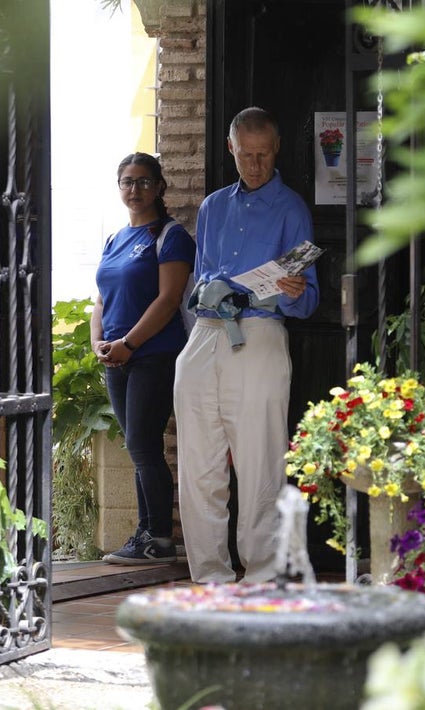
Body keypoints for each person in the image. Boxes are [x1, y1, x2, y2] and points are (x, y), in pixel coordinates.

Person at [174, 107, 320, 584]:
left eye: (263, 155)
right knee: (198, 464)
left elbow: (307, 298)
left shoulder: (291, 208)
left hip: (259, 333)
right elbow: (199, 277)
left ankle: (261, 576)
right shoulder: (212, 206)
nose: (255, 165)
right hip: (205, 334)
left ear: (276, 150)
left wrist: (295, 291)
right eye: (245, 155)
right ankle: (210, 578)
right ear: (231, 149)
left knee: (260, 462)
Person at [93, 152, 196, 564]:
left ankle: (159, 538)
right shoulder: (114, 239)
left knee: (144, 445)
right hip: (117, 357)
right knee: (138, 447)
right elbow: (101, 299)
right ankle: (145, 533)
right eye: (127, 182)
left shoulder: (170, 236)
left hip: (153, 354)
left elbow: (169, 300)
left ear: (159, 187)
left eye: (143, 181)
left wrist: (129, 344)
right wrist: (98, 343)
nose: (134, 189)